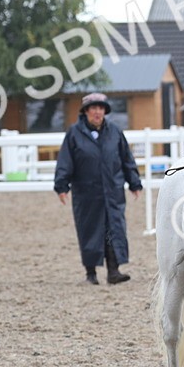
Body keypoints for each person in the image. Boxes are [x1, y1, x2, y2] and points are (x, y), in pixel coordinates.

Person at [54, 93, 143, 285]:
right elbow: (65, 162)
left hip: (112, 191)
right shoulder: (74, 134)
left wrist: (134, 182)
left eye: (101, 108)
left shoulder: (115, 132)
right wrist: (62, 185)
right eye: (93, 108)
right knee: (89, 230)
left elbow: (127, 159)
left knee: (113, 229)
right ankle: (91, 274)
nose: (97, 112)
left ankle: (114, 270)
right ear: (86, 111)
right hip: (87, 193)